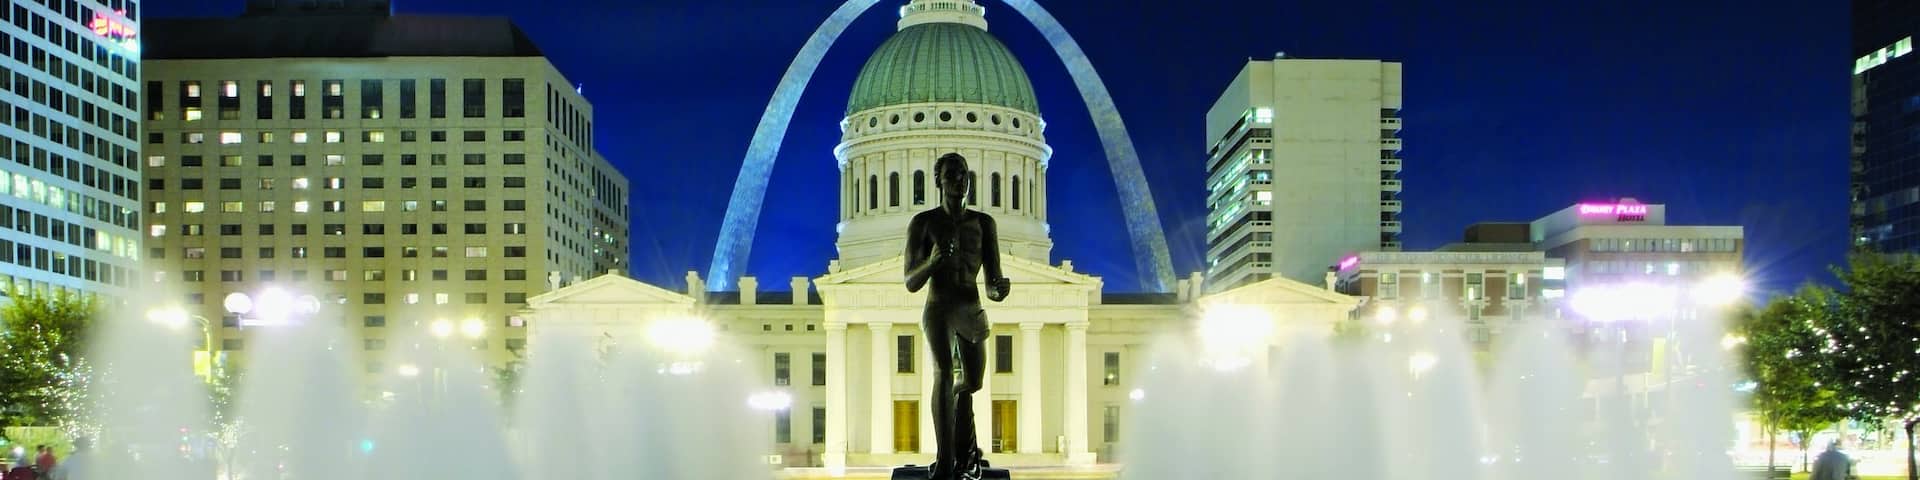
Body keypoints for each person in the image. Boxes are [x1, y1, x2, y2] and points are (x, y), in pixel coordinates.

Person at [904, 152, 1010, 480]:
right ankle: (946, 462)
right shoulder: (923, 223)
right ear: (938, 181)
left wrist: (999, 290)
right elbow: (910, 281)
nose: (958, 180)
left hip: (971, 307)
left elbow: (992, 279)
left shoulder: (983, 224)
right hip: (938, 308)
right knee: (944, 373)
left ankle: (962, 450)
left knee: (972, 382)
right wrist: (934, 262)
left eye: (963, 174)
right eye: (951, 175)